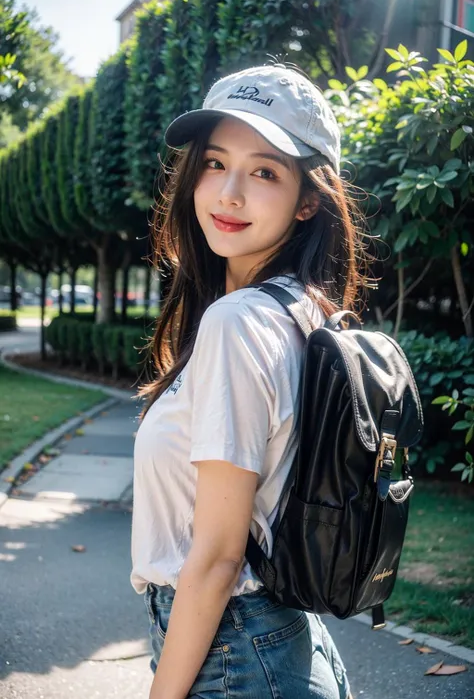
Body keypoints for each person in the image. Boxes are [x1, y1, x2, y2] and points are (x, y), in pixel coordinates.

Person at [131, 62, 369, 699]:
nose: (228, 193)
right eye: (214, 163)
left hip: (232, 656)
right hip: (284, 637)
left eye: (264, 171)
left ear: (309, 200)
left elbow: (215, 559)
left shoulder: (239, 322)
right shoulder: (305, 311)